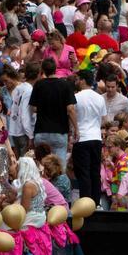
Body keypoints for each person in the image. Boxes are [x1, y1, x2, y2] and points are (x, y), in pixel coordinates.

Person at [29, 58, 77, 162]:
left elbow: (33, 108)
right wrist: (76, 129)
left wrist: (44, 108)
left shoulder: (38, 85)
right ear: (55, 69)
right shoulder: (65, 85)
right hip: (60, 131)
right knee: (59, 167)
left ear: (43, 70)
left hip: (41, 130)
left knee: (41, 166)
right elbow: (71, 109)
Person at [72, 71, 106, 204]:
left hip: (82, 138)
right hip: (96, 138)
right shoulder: (99, 98)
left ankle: (86, 202)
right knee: (95, 171)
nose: (76, 82)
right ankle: (96, 202)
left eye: (78, 79)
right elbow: (103, 118)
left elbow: (72, 115)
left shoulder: (77, 97)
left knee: (83, 172)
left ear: (82, 80)